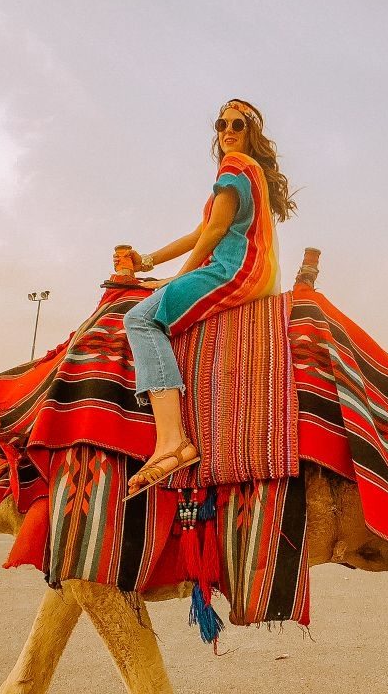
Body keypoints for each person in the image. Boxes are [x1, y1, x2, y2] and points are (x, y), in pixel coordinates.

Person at [121, 99, 296, 499]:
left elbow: (215, 234)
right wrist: (147, 260)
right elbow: (202, 230)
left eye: (237, 124)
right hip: (255, 272)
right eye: (221, 124)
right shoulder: (245, 173)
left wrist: (172, 282)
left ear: (251, 133)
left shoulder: (236, 166)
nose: (228, 130)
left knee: (140, 319)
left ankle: (172, 443)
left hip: (234, 270)